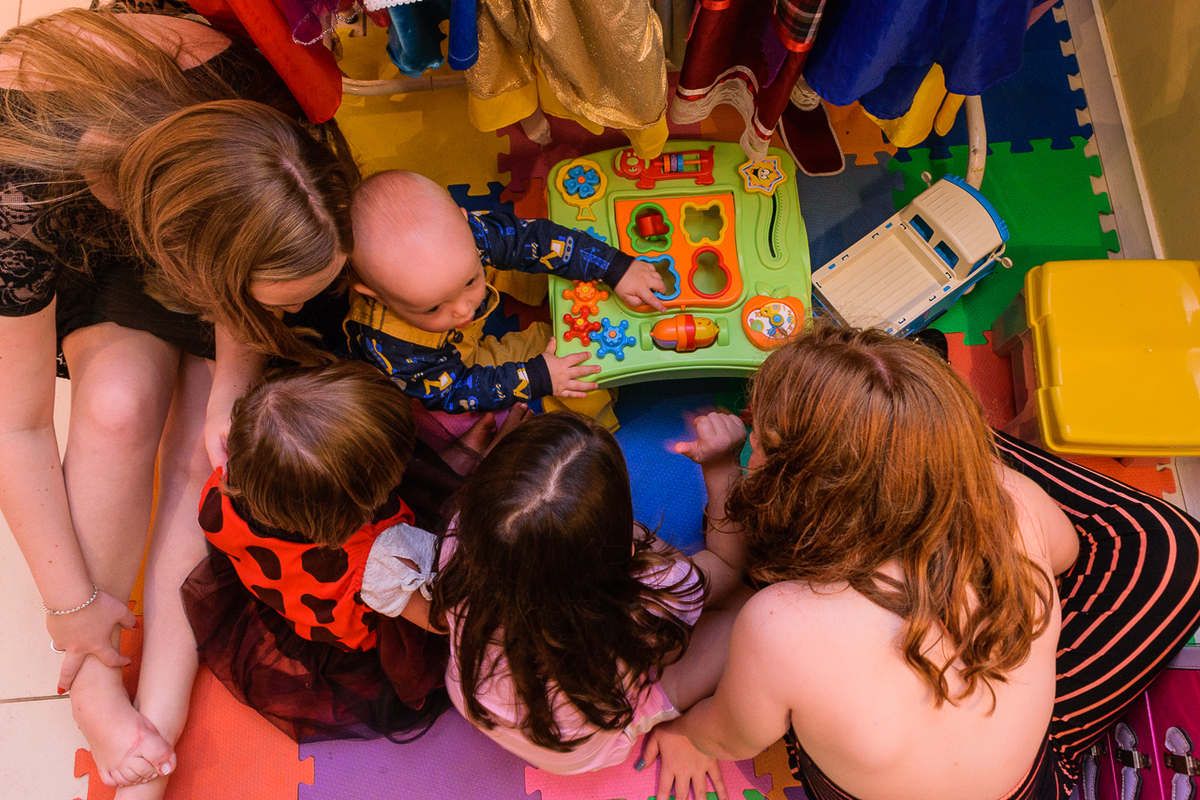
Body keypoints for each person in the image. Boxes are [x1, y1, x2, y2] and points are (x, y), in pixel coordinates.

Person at [0, 5, 361, 796]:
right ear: (193, 264)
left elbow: (248, 276)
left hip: (192, 192)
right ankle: (95, 688)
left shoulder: (247, 108)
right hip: (80, 225)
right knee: (118, 404)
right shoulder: (16, 188)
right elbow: (16, 427)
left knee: (206, 446)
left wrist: (231, 387)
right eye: (277, 305)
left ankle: (153, 735)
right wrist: (72, 609)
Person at [643, 325, 1200, 800]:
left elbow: (732, 738)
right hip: (1028, 779)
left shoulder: (778, 621)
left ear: (806, 489)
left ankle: (891, 433)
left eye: (761, 443)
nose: (752, 452)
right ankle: (915, 432)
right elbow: (1071, 555)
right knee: (1174, 547)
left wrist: (687, 733)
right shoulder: (1011, 501)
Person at [182, 361, 525, 741]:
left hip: (290, 575)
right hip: (380, 613)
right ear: (354, 513)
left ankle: (461, 470)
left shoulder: (231, 483)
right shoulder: (382, 561)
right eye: (393, 470)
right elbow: (446, 620)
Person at [425, 410, 752, 774]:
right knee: (752, 617)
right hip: (582, 749)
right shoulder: (648, 595)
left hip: (481, 704)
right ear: (622, 553)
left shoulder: (460, 540)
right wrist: (722, 465)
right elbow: (728, 567)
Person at [344, 169, 668, 424]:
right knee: (575, 363)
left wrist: (612, 266)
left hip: (479, 271)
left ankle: (516, 287)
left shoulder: (469, 234)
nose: (463, 310)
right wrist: (538, 376)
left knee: (526, 253)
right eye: (433, 307)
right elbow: (455, 391)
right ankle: (586, 417)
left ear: (464, 219)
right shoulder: (391, 349)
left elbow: (535, 238)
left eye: (468, 282)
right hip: (452, 360)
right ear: (379, 297)